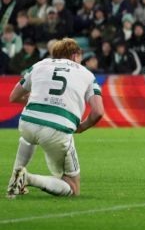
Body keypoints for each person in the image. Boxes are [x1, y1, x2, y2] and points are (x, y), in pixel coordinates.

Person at [6, 38, 104, 198]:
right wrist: (81, 127)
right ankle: (27, 178)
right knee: (73, 186)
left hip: (27, 123)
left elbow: (14, 96)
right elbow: (98, 111)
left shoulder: (39, 65)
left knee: (28, 138)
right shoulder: (86, 74)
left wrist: (35, 98)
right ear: (74, 56)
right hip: (58, 129)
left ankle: (14, 179)